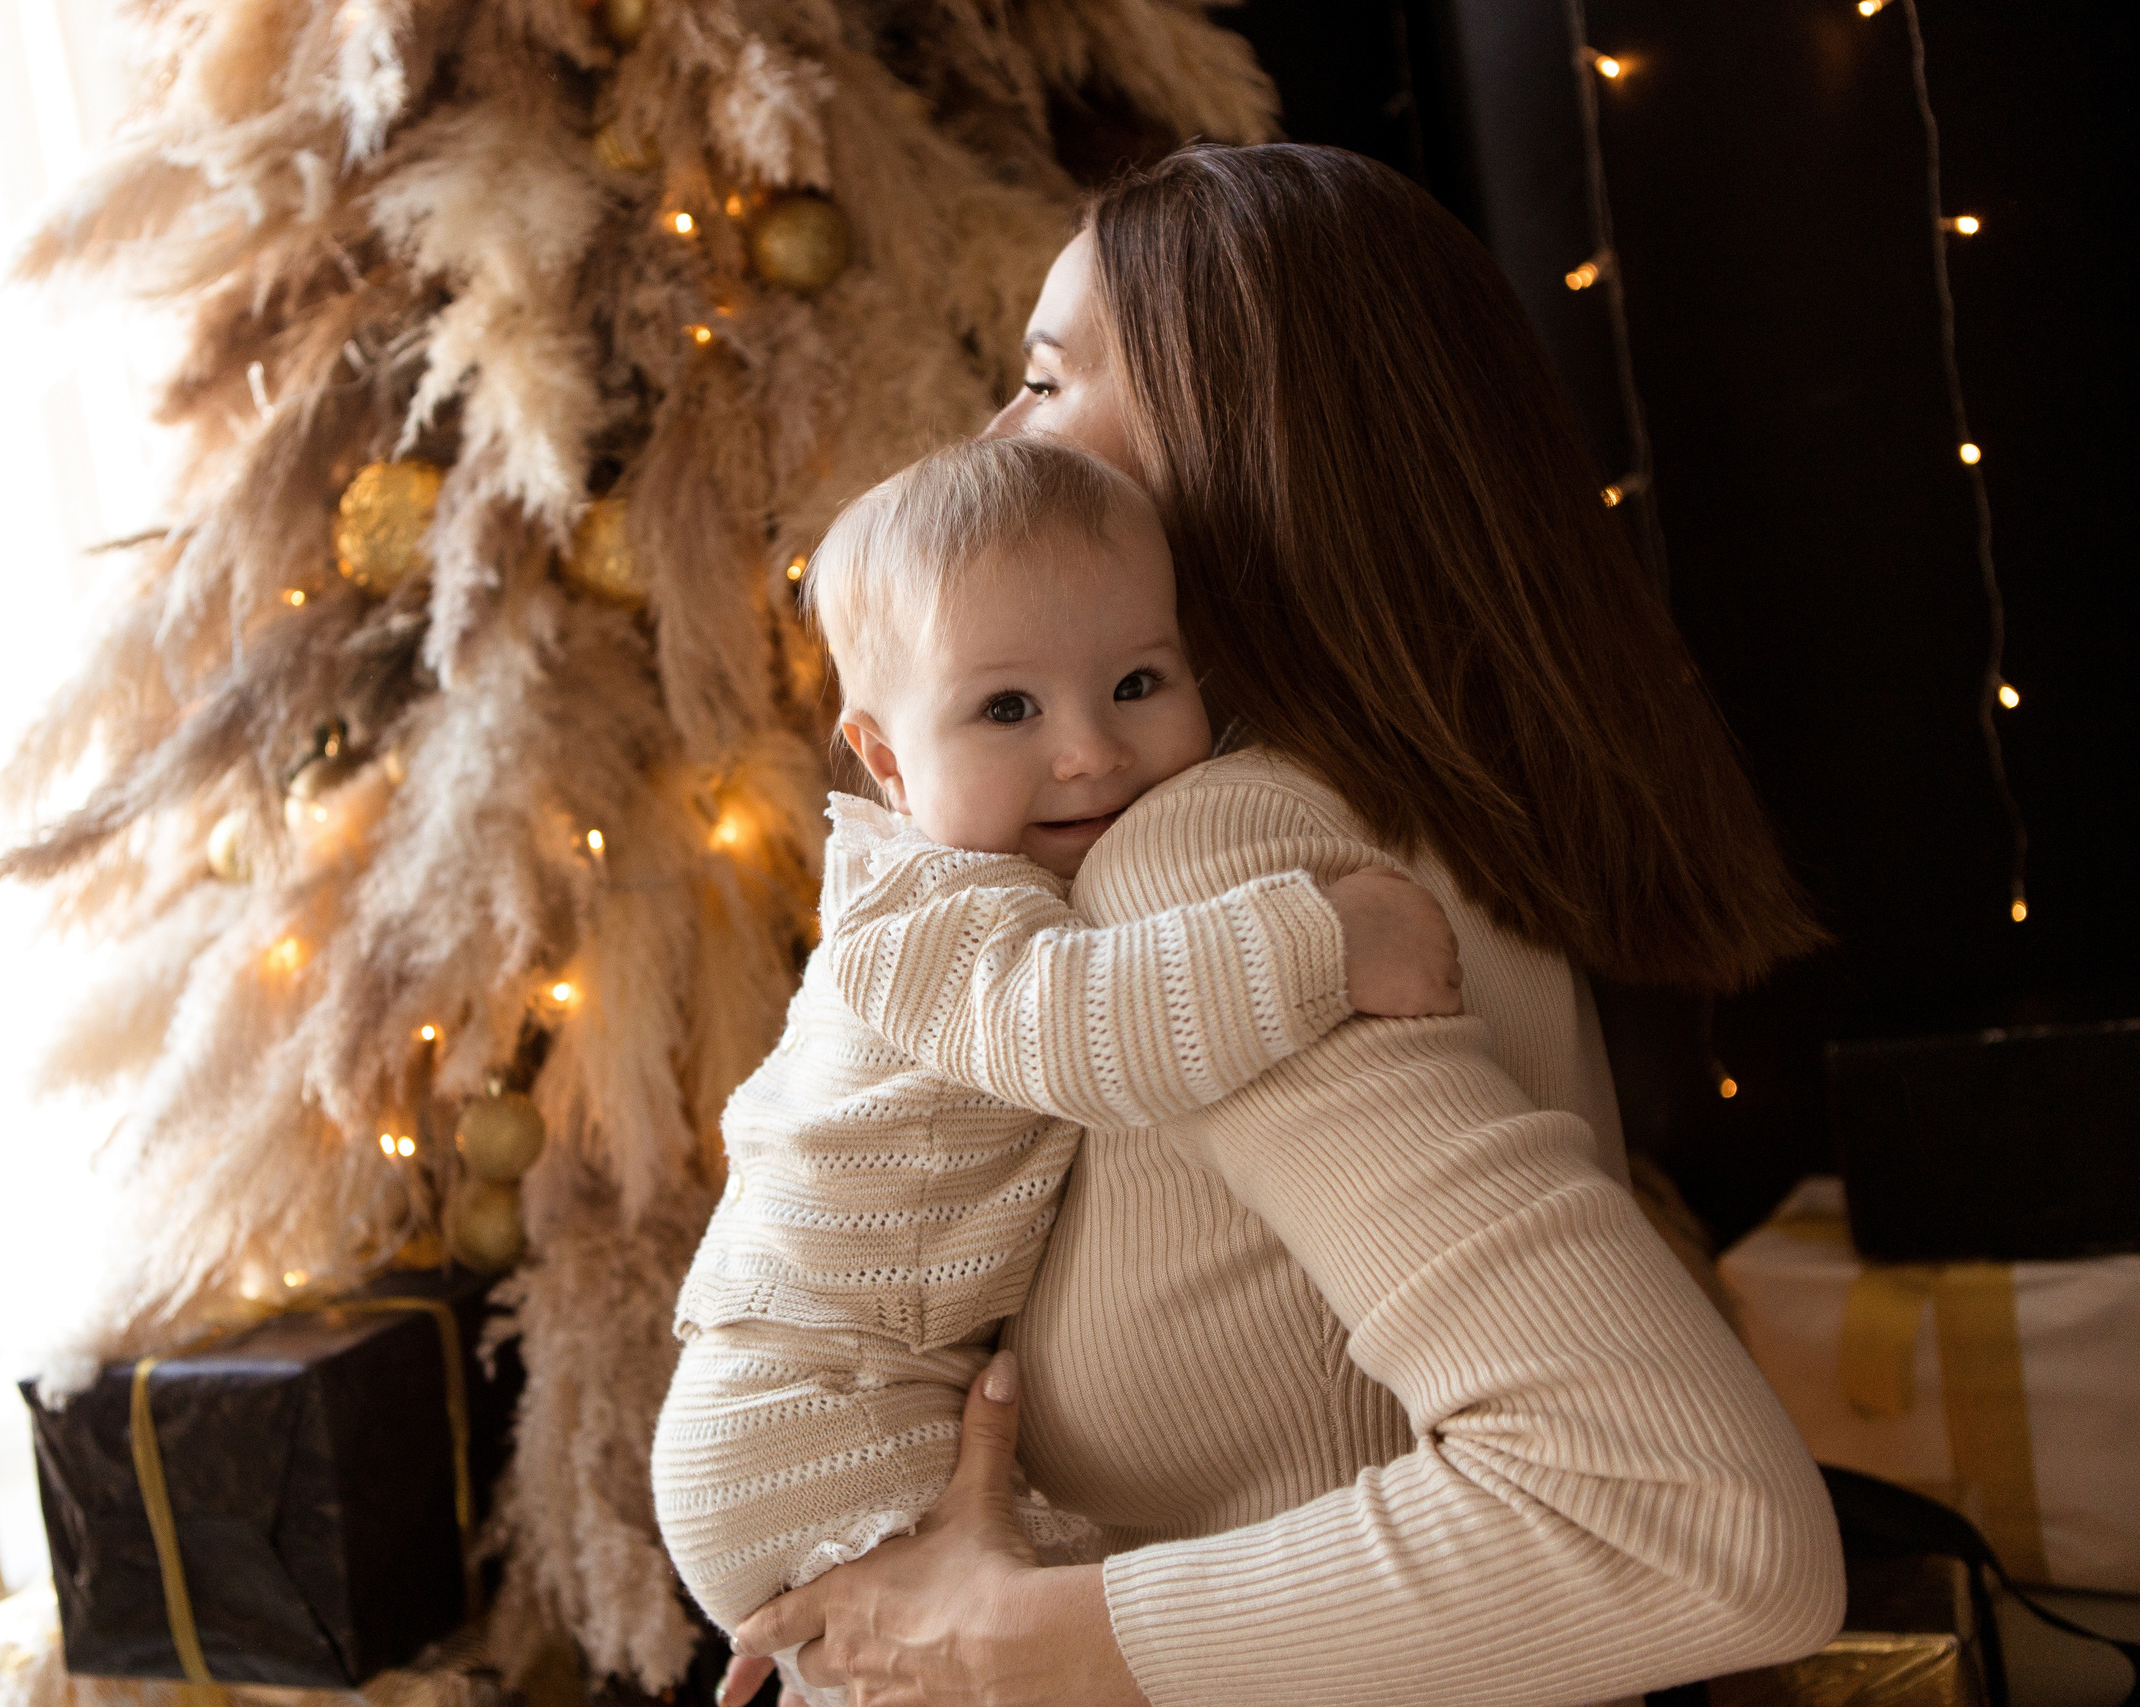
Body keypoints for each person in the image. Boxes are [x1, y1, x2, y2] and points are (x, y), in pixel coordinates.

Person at [723, 144, 1845, 1706]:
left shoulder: (1220, 863)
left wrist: (1004, 1641)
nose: (992, 436)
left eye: (1046, 385)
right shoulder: (1431, 805)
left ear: (1226, 437)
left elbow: (1686, 1525)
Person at [652, 436, 1466, 1678]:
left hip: (846, 1397)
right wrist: (1322, 940)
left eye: (1139, 682)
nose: (1088, 749)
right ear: (883, 760)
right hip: (812, 1414)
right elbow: (1080, 1031)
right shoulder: (921, 917)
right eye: (1008, 710)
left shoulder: (1006, 873)